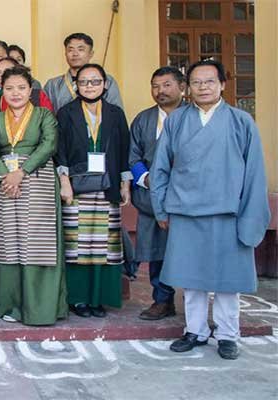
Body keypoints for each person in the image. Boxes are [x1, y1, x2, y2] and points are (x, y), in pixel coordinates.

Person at [151, 59, 270, 360]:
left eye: (209, 81)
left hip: (227, 212)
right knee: (192, 279)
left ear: (222, 84)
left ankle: (228, 334)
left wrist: (251, 215)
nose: (203, 87)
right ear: (187, 87)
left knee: (228, 280)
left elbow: (255, 173)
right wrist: (161, 208)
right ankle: (196, 330)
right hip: (186, 211)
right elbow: (160, 167)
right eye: (196, 82)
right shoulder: (177, 120)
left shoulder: (241, 122)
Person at [0, 66, 67, 325]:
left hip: (37, 179)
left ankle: (39, 308)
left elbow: (49, 144)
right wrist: (4, 176)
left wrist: (22, 172)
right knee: (8, 244)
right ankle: (10, 304)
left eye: (21, 88)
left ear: (30, 90)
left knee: (37, 245)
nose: (15, 93)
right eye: (9, 88)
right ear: (2, 91)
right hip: (5, 183)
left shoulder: (44, 115)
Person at [56, 63, 131, 319]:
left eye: (95, 81)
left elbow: (124, 150)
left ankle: (99, 298)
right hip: (77, 187)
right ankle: (77, 299)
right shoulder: (66, 113)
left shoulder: (115, 113)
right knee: (77, 245)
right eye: (84, 82)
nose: (89, 86)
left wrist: (125, 183)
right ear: (76, 85)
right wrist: (64, 182)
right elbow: (60, 150)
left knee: (103, 245)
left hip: (107, 186)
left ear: (105, 84)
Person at [129, 66, 186, 321]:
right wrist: (149, 179)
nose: (160, 91)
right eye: (155, 86)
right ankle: (162, 300)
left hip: (186, 196)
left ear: (181, 87)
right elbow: (133, 155)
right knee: (155, 250)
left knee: (187, 250)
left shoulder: (192, 116)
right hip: (151, 196)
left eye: (166, 85)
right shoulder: (144, 119)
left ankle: (193, 304)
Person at [44, 33, 123, 112]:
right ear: (65, 54)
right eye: (70, 50)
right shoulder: (53, 85)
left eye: (81, 49)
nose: (75, 54)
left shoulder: (107, 81)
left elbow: (116, 113)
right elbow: (45, 116)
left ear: (91, 54)